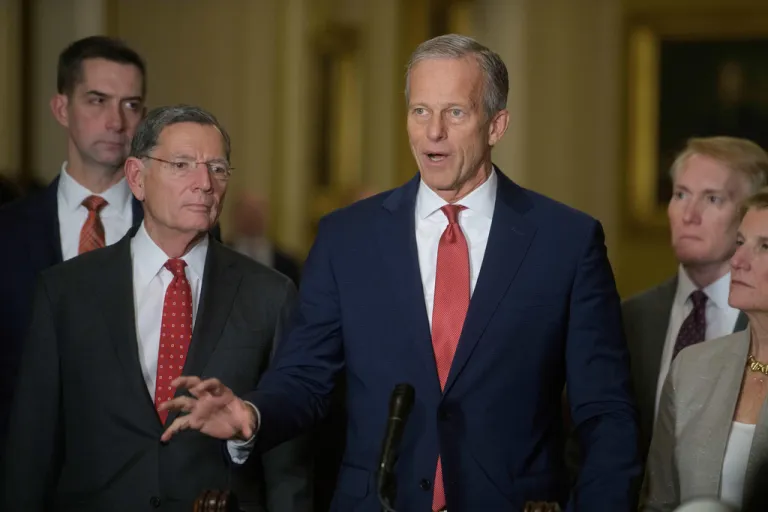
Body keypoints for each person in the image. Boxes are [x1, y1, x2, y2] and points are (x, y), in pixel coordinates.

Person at [159, 34, 641, 511]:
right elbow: (306, 377)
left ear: (496, 125)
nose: (434, 132)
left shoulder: (566, 242)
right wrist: (252, 414)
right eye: (420, 111)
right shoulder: (347, 238)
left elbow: (607, 412)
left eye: (455, 112)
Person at [3, 105, 312, 512]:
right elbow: (31, 453)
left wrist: (245, 433)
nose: (204, 183)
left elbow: (288, 465)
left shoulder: (270, 294)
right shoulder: (66, 291)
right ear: (137, 177)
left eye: (218, 169)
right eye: (182, 165)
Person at [0, 36, 147, 448]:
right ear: (62, 108)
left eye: (131, 105)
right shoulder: (8, 232)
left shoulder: (176, 231)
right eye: (97, 100)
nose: (116, 122)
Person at [623, 136, 766, 458]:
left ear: (749, 215)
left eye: (712, 199)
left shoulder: (762, 320)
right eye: (680, 195)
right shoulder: (629, 318)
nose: (689, 215)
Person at [642, 188, 768, 510]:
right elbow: (658, 502)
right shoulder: (691, 367)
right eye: (739, 242)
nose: (737, 261)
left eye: (765, 247)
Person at [230, 192, 302, 286]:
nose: (252, 218)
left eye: (257, 212)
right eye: (248, 212)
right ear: (235, 215)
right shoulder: (218, 256)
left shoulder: (288, 265)